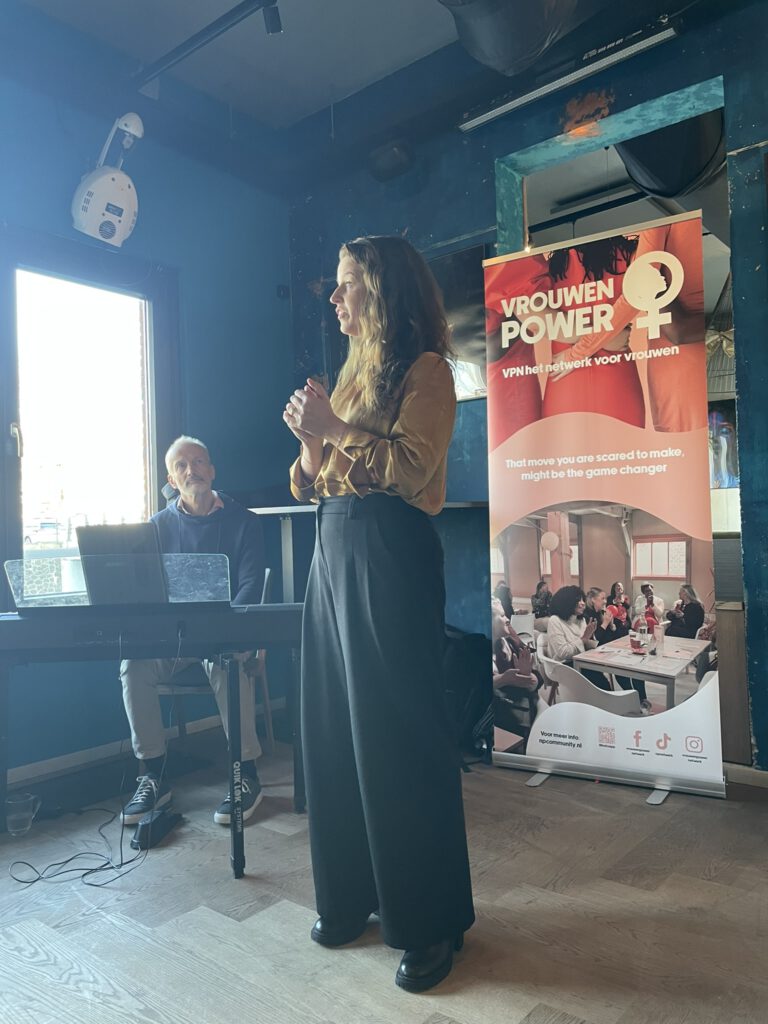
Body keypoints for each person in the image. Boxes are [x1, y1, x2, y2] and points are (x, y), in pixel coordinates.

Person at [283, 235, 474, 994]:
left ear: (383, 289)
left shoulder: (427, 371)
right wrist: (311, 443)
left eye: (346, 284)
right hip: (331, 550)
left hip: (390, 551)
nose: (334, 299)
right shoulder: (352, 376)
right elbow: (311, 482)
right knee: (333, 730)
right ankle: (351, 895)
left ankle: (429, 922)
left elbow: (411, 468)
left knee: (398, 734)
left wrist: (332, 430)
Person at [120, 436, 265, 827]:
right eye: (181, 465)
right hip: (175, 639)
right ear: (172, 479)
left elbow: (250, 586)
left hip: (224, 635)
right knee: (133, 665)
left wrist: (231, 633)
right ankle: (153, 776)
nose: (191, 470)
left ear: (212, 470)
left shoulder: (245, 522)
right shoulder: (157, 527)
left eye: (199, 462)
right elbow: (147, 591)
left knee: (227, 663)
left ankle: (247, 775)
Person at [584, 587, 648, 705]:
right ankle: (635, 699)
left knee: (637, 666)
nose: (605, 601)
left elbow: (611, 634)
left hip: (610, 648)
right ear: (593, 599)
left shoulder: (601, 612)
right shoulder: (588, 615)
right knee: (623, 672)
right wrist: (605, 623)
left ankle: (641, 699)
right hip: (598, 654)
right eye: (602, 598)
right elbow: (594, 640)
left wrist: (612, 625)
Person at [545, 586, 605, 689]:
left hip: (581, 662)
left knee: (601, 675)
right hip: (563, 666)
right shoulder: (555, 620)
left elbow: (584, 644)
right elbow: (563, 653)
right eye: (578, 600)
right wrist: (584, 638)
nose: (583, 603)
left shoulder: (580, 620)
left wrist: (593, 640)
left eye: (583, 600)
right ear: (567, 602)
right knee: (598, 680)